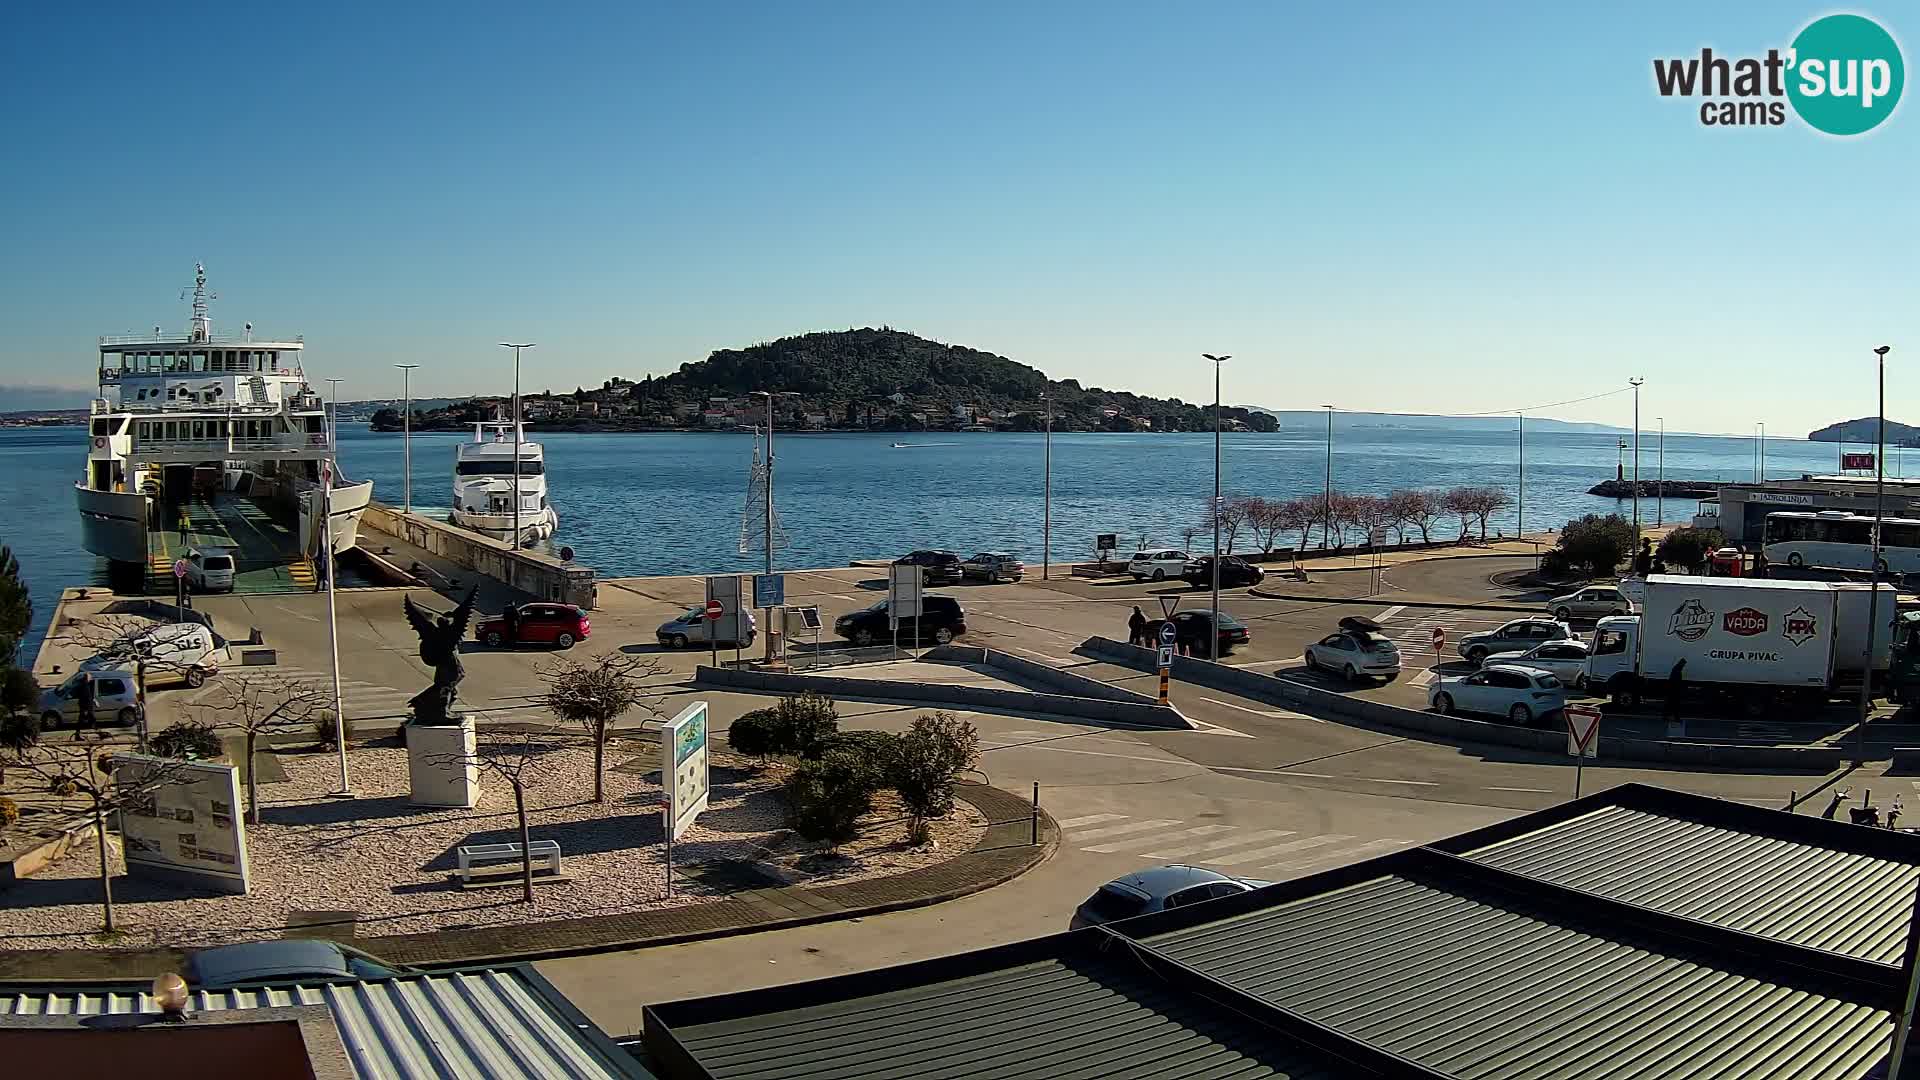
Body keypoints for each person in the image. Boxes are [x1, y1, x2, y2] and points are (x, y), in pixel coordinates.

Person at [1664, 658, 1686, 724]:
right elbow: (1676, 681)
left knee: (1670, 704)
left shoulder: (1676, 669)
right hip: (1675, 690)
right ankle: (1676, 718)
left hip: (1673, 690)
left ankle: (1667, 716)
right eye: (1684, 664)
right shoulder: (1677, 670)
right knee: (1675, 705)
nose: (1684, 666)